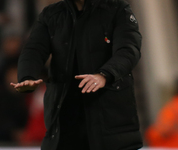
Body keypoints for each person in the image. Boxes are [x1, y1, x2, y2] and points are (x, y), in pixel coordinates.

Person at [10, 0, 143, 149]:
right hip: (65, 124)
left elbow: (128, 50)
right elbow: (33, 50)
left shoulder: (118, 9)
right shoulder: (51, 15)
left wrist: (104, 75)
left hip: (110, 124)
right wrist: (27, 76)